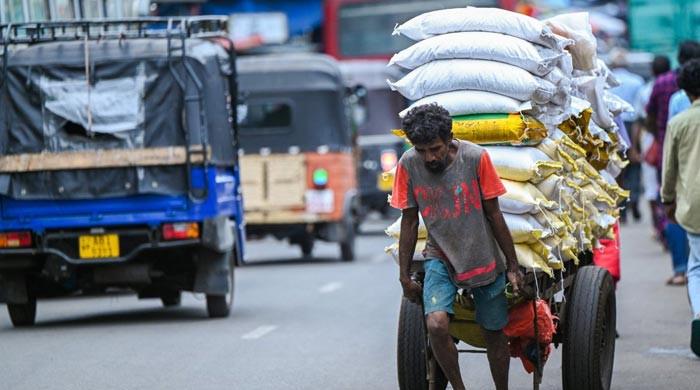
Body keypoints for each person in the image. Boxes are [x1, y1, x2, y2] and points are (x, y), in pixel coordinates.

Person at [392, 104, 524, 390]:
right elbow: (409, 221)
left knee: (493, 332)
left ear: (450, 137)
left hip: (483, 254)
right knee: (437, 325)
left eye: (436, 148)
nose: (430, 157)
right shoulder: (408, 164)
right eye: (422, 150)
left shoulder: (476, 158)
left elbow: (494, 214)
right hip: (440, 255)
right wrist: (404, 275)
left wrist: (513, 266)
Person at [647, 41, 700, 286]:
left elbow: (670, 143)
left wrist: (667, 197)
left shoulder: (675, 99)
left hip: (684, 170)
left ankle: (680, 269)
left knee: (680, 217)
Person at [660, 58, 700, 357]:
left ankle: (699, 319)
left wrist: (667, 200)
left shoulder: (679, 123)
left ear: (685, 91)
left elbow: (669, 170)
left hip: (693, 208)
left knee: (697, 267)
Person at [635, 55, 671, 241]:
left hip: (653, 140)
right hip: (666, 139)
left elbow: (643, 118)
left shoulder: (647, 89)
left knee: (653, 185)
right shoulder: (677, 85)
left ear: (652, 71)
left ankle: (659, 225)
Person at [610, 51, 645, 222]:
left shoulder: (608, 80)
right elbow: (639, 111)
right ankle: (635, 202)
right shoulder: (637, 81)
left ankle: (622, 209)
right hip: (632, 126)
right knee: (634, 167)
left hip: (613, 126)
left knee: (618, 170)